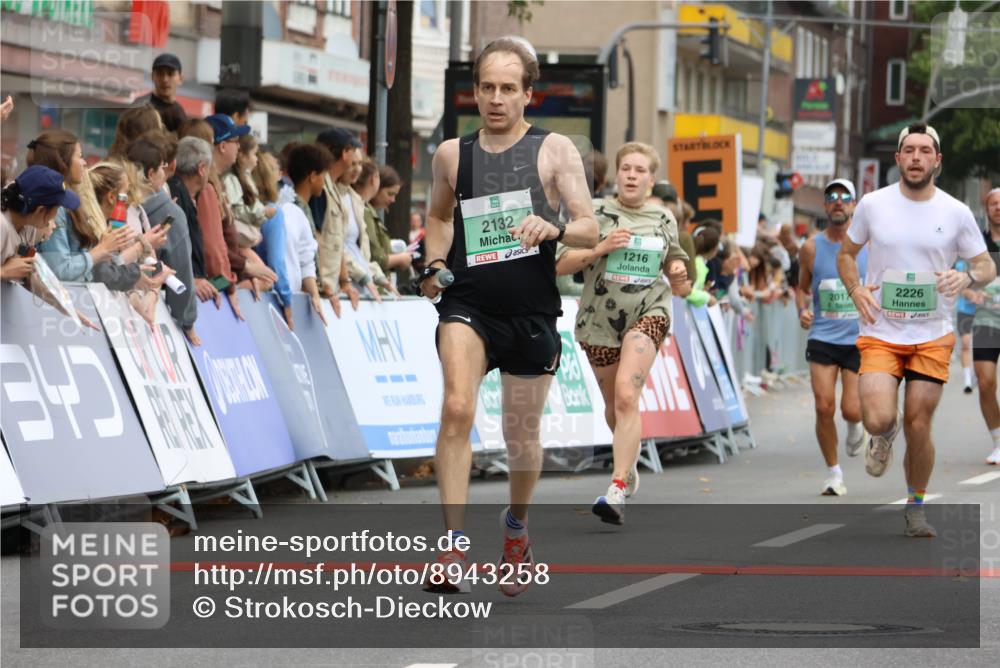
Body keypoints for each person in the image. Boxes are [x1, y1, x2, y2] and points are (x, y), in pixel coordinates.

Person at [419, 37, 598, 596]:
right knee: (456, 407)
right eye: (487, 88)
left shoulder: (556, 151)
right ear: (475, 93)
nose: (496, 99)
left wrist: (557, 228)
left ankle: (516, 528)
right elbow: (439, 216)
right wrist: (434, 261)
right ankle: (451, 548)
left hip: (530, 310)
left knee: (521, 436)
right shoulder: (452, 154)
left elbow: (589, 226)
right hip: (467, 303)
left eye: (508, 89)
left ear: (527, 95)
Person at [837, 123, 995, 537]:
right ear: (898, 158)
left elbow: (986, 265)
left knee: (919, 422)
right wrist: (856, 290)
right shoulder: (872, 204)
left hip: (933, 333)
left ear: (937, 161)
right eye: (909, 150)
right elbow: (847, 255)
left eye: (925, 151)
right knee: (877, 417)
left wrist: (966, 278)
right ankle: (881, 435)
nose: (916, 158)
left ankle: (915, 505)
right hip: (880, 330)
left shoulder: (956, 211)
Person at [555, 142, 688, 525]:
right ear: (618, 175)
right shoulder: (595, 213)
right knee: (615, 407)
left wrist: (678, 271)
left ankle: (616, 489)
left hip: (649, 310)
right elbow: (561, 265)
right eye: (626, 168)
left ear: (651, 178)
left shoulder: (663, 217)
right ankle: (627, 464)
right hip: (598, 319)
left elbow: (675, 256)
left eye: (640, 170)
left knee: (629, 394)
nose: (632, 175)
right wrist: (600, 248)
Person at [796, 178, 869, 496]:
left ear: (854, 205)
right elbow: (801, 288)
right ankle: (833, 473)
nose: (838, 201)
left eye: (844, 197)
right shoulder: (811, 247)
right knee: (824, 406)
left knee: (851, 409)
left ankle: (855, 425)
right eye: (832, 197)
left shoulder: (869, 245)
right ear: (825, 206)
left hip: (858, 338)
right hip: (823, 336)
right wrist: (803, 311)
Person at [0, 165, 95, 326]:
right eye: (57, 209)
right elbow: (8, 271)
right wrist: (2, 271)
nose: (56, 217)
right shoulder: (2, 225)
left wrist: (67, 307)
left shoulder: (28, 227)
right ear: (40, 210)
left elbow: (32, 277)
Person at [127, 135, 199, 337]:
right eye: (162, 167)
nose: (165, 173)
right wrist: (187, 320)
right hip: (142, 315)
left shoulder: (117, 202)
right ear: (151, 173)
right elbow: (182, 269)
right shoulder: (171, 213)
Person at [169, 135, 214, 342]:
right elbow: (175, 252)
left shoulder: (182, 193)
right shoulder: (176, 196)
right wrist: (192, 280)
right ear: (202, 169)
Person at [314, 128, 363, 316]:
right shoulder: (320, 188)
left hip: (331, 289)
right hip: (322, 291)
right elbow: (315, 239)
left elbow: (338, 242)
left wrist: (345, 282)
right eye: (353, 151)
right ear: (345, 153)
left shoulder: (332, 187)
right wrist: (321, 283)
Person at [284, 143, 333, 325]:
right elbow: (304, 255)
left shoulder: (304, 207)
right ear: (313, 176)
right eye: (323, 175)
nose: (325, 181)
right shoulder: (296, 208)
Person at [969, 187, 1000, 465]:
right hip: (986, 321)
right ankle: (998, 440)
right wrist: (971, 293)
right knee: (986, 381)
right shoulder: (976, 244)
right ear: (986, 208)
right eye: (993, 203)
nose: (998, 207)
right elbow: (961, 278)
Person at [140, 53, 187, 130]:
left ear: (181, 78)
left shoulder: (180, 113)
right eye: (160, 74)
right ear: (152, 77)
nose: (165, 79)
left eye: (170, 74)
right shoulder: (140, 108)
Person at [955, 256, 977, 393]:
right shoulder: (960, 266)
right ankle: (967, 380)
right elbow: (959, 288)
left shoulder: (986, 263)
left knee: (980, 345)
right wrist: (968, 294)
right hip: (964, 310)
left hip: (983, 310)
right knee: (965, 343)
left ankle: (976, 373)